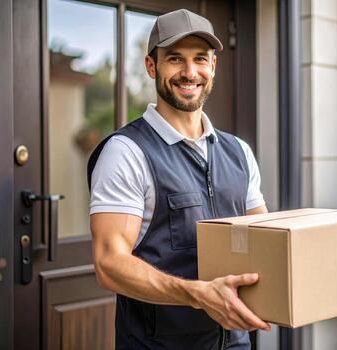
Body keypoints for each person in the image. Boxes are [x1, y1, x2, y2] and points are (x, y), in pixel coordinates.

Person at [87, 9, 271, 350]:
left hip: (235, 343)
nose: (190, 72)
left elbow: (266, 241)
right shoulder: (126, 152)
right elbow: (109, 264)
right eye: (175, 59)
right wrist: (198, 295)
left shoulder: (239, 152)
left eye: (200, 59)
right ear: (152, 66)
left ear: (213, 66)